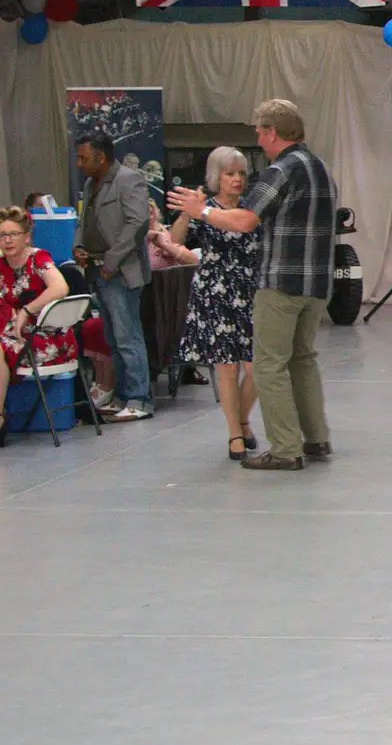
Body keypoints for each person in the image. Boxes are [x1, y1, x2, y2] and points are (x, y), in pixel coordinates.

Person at [168, 100, 337, 470]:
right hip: (317, 284)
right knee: (302, 360)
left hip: (280, 284)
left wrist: (203, 212)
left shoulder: (281, 170)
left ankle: (286, 449)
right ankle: (316, 439)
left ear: (272, 132)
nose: (258, 139)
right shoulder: (320, 167)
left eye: (259, 132)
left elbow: (245, 220)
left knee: (268, 365)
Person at [170, 147, 263, 461]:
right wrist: (187, 211)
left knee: (257, 367)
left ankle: (243, 419)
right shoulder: (205, 207)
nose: (236, 180)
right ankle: (235, 434)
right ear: (216, 177)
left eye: (240, 173)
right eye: (229, 173)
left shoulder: (253, 207)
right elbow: (176, 240)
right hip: (215, 290)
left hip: (251, 290)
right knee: (226, 367)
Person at [73, 131, 154, 422]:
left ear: (101, 156)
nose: (79, 163)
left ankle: (139, 400)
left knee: (127, 337)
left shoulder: (129, 179)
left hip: (121, 272)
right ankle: (122, 396)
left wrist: (111, 259)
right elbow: (84, 220)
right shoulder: (89, 183)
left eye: (83, 157)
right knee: (112, 339)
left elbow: (137, 223)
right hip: (96, 270)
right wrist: (79, 246)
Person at [0, 207, 75, 444]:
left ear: (27, 236)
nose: (7, 240)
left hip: (46, 335)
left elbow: (61, 288)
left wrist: (26, 310)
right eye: (2, 235)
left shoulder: (38, 258)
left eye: (13, 234)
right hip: (13, 332)